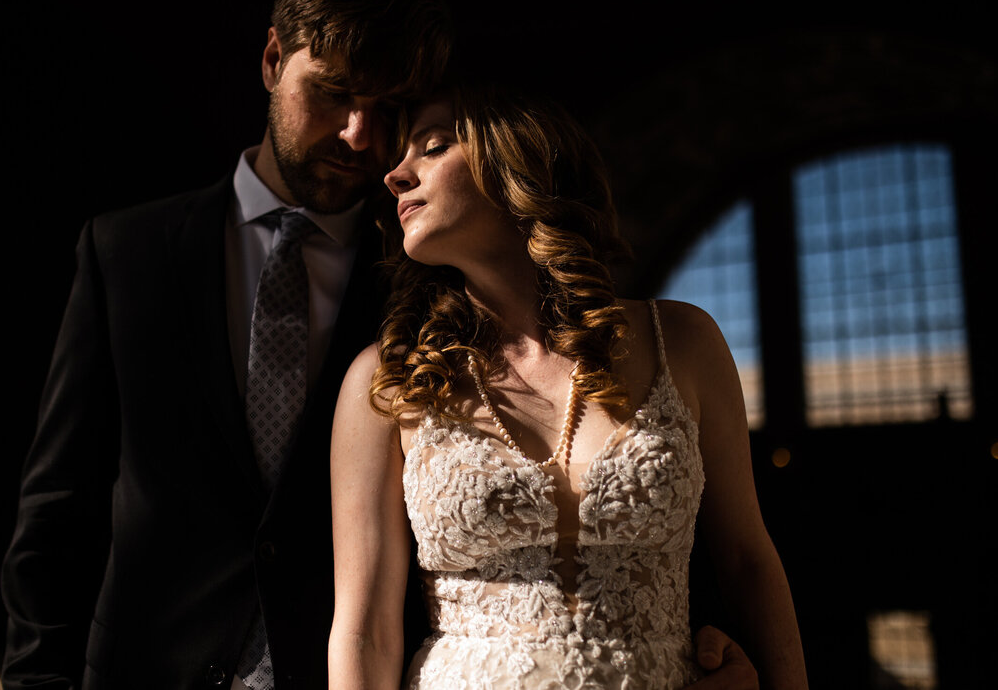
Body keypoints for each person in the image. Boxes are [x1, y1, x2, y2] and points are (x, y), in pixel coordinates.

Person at [0, 0, 453, 689]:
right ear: (274, 60)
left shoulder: (429, 276)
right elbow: (58, 511)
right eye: (334, 91)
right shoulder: (127, 254)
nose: (359, 136)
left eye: (391, 108)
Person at [328, 85, 808, 688]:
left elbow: (747, 563)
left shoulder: (684, 341)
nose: (397, 175)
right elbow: (364, 629)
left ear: (517, 160)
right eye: (400, 158)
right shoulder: (387, 381)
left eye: (433, 146)